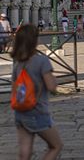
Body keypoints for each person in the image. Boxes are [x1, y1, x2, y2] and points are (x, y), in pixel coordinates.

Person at [11, 24, 63, 159]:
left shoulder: (17, 63)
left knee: (25, 152)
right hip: (38, 111)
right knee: (56, 145)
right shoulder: (41, 60)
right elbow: (52, 87)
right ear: (34, 40)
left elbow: (14, 88)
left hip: (21, 111)